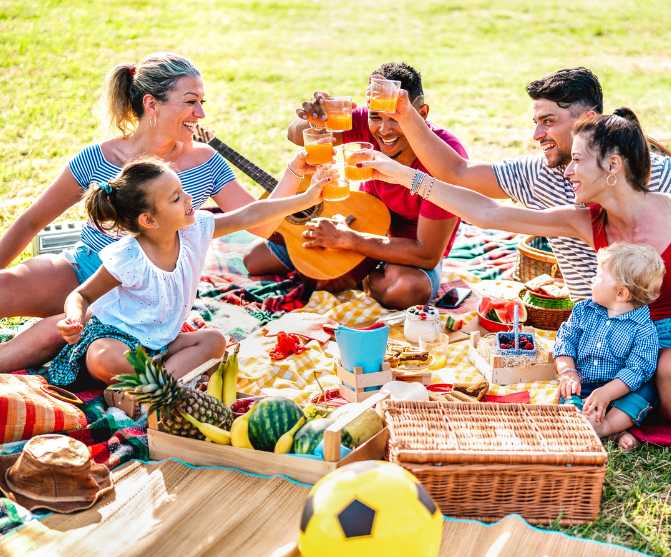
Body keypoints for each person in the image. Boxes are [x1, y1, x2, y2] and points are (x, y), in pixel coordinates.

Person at [361, 109, 671, 548]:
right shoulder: (587, 222)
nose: (568, 170)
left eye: (578, 160)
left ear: (613, 165)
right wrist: (404, 177)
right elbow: (488, 213)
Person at [382, 66, 671, 418]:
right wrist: (403, 131)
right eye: (536, 122)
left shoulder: (654, 176)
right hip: (622, 312)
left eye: (548, 121)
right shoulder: (553, 188)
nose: (537, 134)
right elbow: (466, 184)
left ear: (590, 123)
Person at [0, 53, 267, 373]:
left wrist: (300, 178)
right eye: (191, 102)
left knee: (68, 336)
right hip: (84, 271)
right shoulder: (98, 157)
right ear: (152, 103)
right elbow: (32, 221)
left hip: (145, 301)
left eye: (201, 102)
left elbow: (260, 222)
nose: (201, 113)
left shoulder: (206, 162)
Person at [48, 155, 331, 385]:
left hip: (162, 346)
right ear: (148, 220)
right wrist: (74, 318)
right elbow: (81, 296)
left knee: (214, 341)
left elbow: (249, 214)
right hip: (117, 340)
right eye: (175, 198)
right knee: (103, 357)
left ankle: (152, 392)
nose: (188, 198)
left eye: (183, 190)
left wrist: (305, 200)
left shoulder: (196, 231)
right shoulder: (128, 257)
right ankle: (169, 386)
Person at [242, 62, 466, 309]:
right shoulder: (363, 120)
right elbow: (295, 135)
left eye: (395, 118)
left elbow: (427, 253)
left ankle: (355, 278)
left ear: (421, 114)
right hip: (359, 219)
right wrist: (315, 120)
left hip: (405, 252)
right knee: (254, 260)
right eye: (376, 117)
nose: (383, 129)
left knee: (407, 290)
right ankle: (343, 272)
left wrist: (348, 240)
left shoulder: (444, 158)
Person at [554, 242, 665, 451]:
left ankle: (606, 427)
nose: (591, 280)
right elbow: (565, 340)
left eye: (597, 276)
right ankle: (579, 414)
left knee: (646, 393)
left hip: (620, 390)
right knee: (567, 390)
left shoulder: (644, 329)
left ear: (621, 293)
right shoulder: (583, 311)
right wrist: (568, 371)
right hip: (583, 381)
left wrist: (607, 393)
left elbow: (637, 369)